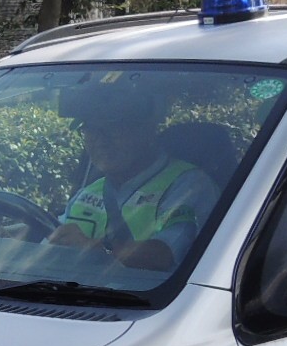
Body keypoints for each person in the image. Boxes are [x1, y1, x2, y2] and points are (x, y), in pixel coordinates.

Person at [47, 83, 218, 271]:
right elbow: (53, 239)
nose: (101, 141)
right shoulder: (87, 193)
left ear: (146, 131)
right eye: (91, 130)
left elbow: (166, 254)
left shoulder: (188, 185)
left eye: (113, 128)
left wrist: (97, 251)